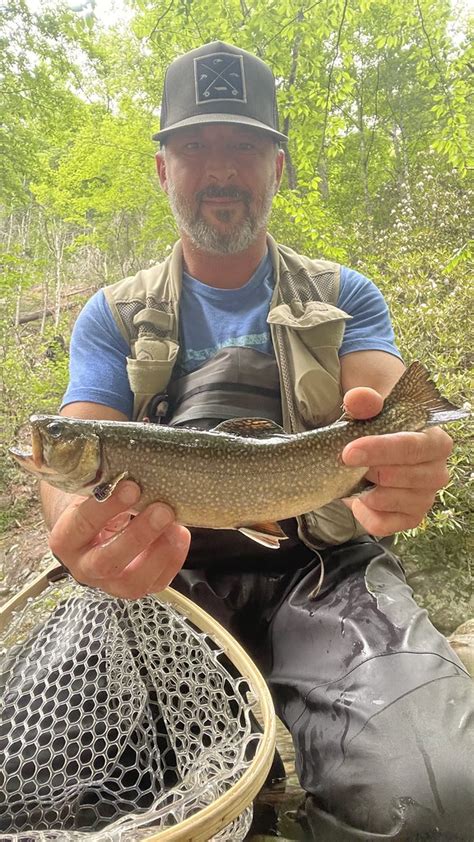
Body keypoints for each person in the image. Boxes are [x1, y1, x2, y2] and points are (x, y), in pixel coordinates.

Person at [41, 42, 473, 841]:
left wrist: (403, 465)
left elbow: (380, 409)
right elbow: (79, 453)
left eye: (243, 146)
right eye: (195, 147)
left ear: (279, 167)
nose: (221, 169)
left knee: (437, 796)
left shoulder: (345, 295)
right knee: (86, 790)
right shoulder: (111, 314)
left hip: (327, 569)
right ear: (161, 171)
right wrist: (77, 523)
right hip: (171, 581)